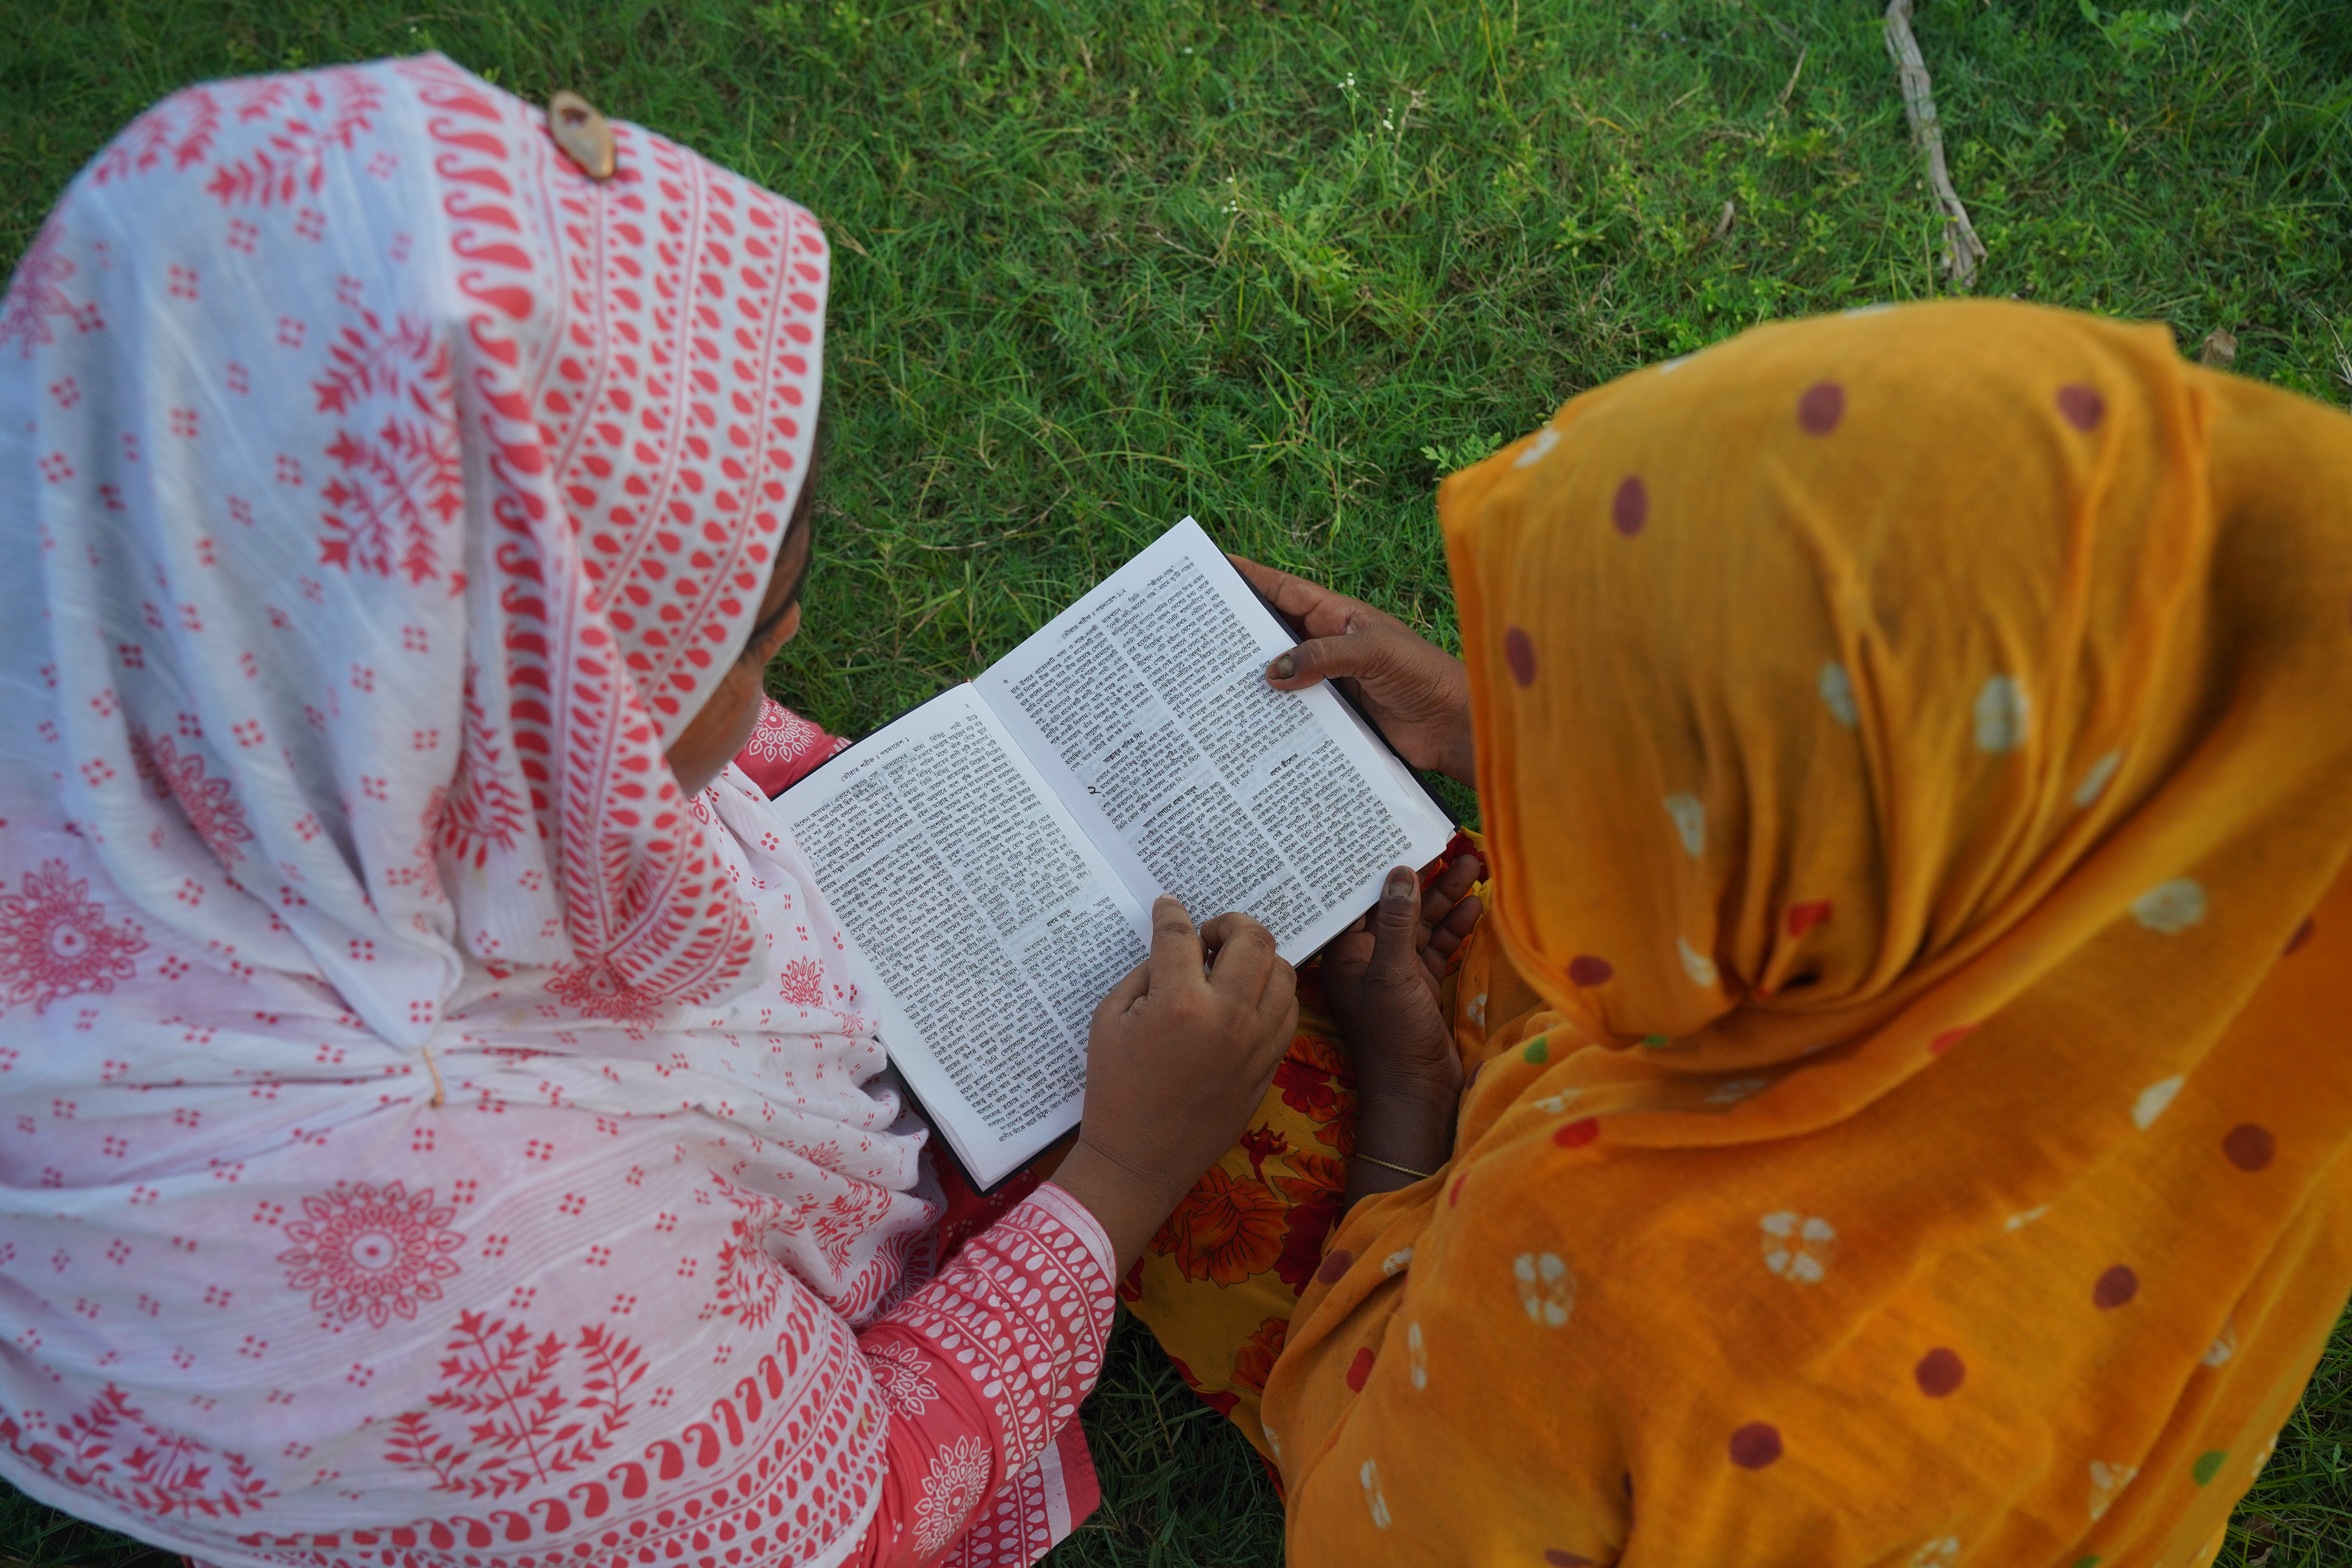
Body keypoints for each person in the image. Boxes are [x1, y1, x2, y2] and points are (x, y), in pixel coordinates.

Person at [0, 57, 1300, 1568]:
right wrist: (1126, 1171)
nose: (783, 659)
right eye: (749, 643)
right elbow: (859, 1505)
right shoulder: (506, 1255)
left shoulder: (112, 630)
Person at [1125, 299, 2352, 1565]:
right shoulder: (2272, 963)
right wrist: (1493, 732)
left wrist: (1408, 1095)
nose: (1573, 793)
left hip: (1561, 1377)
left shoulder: (1599, 1255)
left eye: (1630, 759)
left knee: (1201, 1125)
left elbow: (1355, 1542)